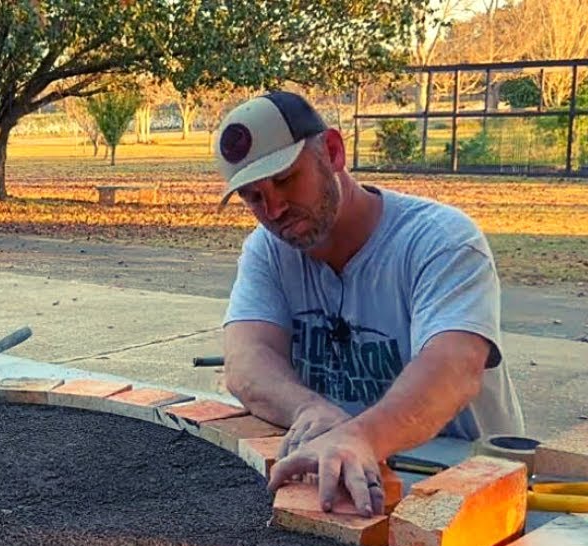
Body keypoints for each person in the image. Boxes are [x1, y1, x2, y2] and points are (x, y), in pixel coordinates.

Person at [215, 90, 524, 518]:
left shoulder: (441, 240)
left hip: (466, 486)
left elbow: (454, 368)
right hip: (343, 477)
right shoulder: (268, 250)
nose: (274, 209)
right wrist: (310, 410)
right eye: (253, 197)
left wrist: (360, 436)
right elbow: (247, 360)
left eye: (285, 179)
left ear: (334, 152)